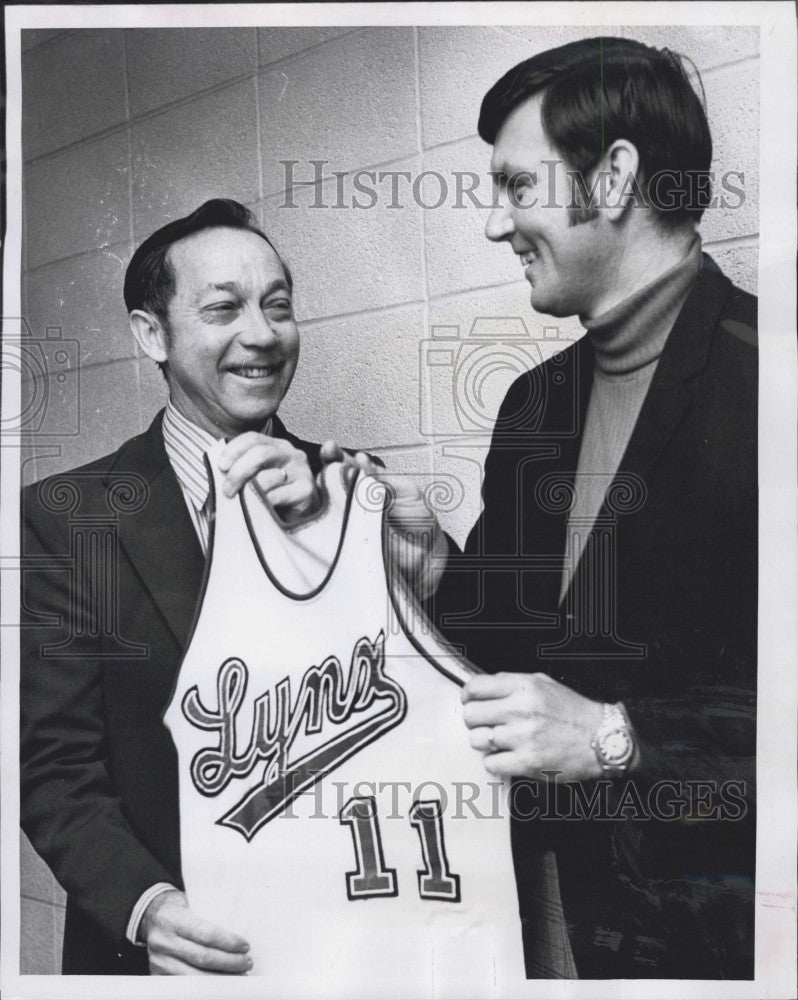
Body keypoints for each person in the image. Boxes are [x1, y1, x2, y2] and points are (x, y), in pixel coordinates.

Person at [20, 199, 445, 975]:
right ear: (152, 334)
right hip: (171, 957)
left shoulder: (357, 490)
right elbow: (52, 769)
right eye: (224, 308)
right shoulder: (65, 518)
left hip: (352, 950)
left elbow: (437, 717)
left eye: (277, 306)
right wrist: (148, 909)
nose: (262, 334)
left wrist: (428, 574)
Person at [430, 37, 757, 979]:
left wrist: (618, 739)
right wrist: (421, 560)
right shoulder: (532, 403)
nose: (496, 227)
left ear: (612, 178)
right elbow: (494, 645)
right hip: (566, 932)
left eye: (515, 188)